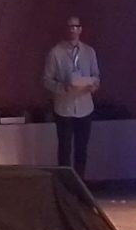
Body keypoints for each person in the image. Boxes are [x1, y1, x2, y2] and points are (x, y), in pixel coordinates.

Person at [43, 16, 100, 177]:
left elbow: (96, 75)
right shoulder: (55, 52)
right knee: (64, 149)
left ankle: (80, 182)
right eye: (70, 27)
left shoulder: (89, 52)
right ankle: (64, 183)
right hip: (64, 108)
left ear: (80, 30)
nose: (73, 30)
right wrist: (63, 88)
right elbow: (46, 80)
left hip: (85, 107)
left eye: (76, 27)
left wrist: (94, 85)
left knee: (82, 149)